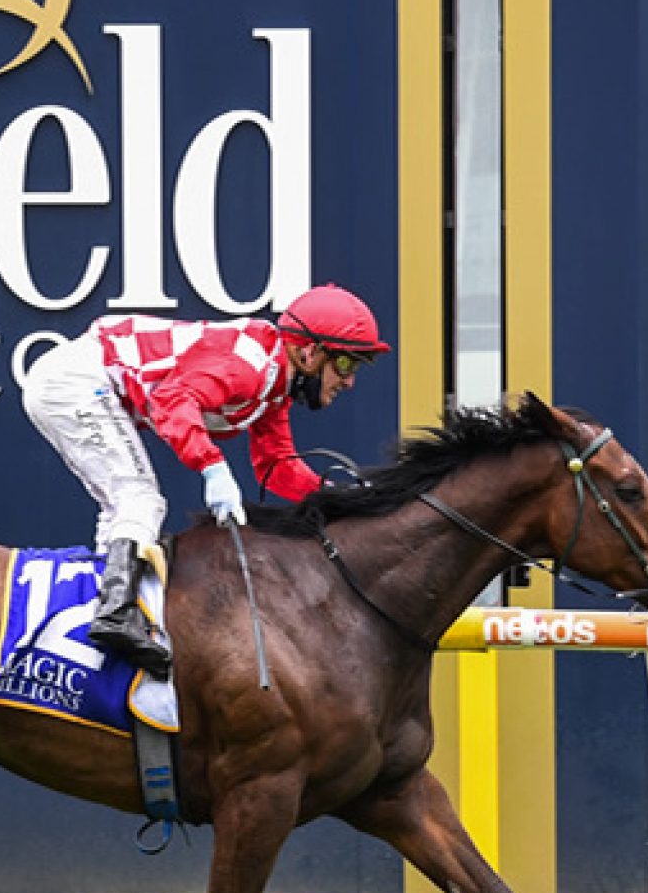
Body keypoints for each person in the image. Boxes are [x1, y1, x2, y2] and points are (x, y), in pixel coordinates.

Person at [21, 283, 388, 676]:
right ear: (308, 351)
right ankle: (114, 614)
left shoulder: (273, 385)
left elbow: (276, 466)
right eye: (346, 365)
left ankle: (105, 611)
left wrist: (340, 498)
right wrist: (212, 466)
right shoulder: (250, 366)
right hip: (75, 381)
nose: (349, 382)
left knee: (126, 502)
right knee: (139, 498)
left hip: (78, 379)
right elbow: (172, 402)